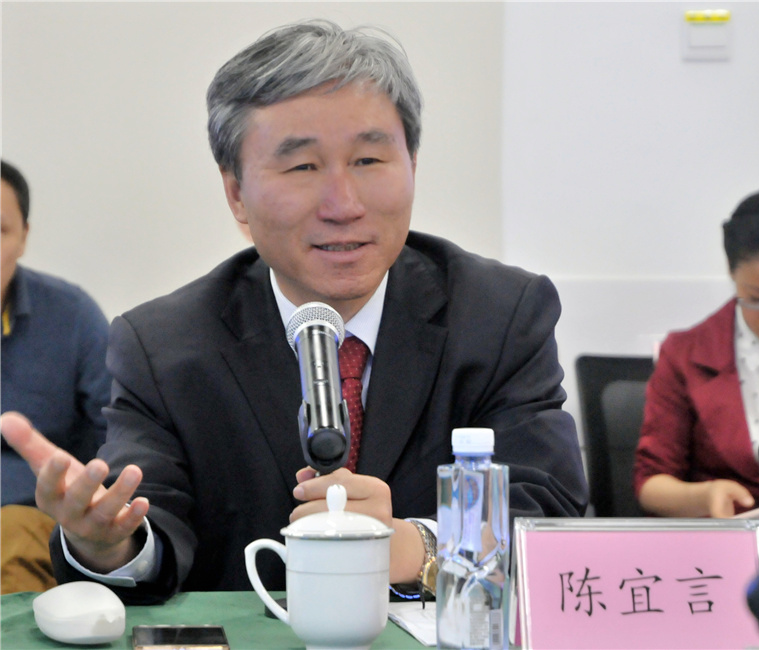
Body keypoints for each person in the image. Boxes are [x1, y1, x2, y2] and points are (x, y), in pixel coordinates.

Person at [0, 20, 587, 605]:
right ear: (236, 193)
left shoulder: (500, 315)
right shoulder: (163, 346)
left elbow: (548, 510)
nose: (344, 204)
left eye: (369, 160)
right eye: (303, 167)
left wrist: (416, 546)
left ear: (412, 161)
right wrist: (109, 545)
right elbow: (150, 524)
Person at [634, 187, 759, 518]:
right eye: (756, 298)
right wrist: (703, 495)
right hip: (721, 541)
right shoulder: (685, 353)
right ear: (731, 271)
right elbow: (650, 483)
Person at [0, 160, 111, 593]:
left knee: (11, 543)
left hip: (26, 514)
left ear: (23, 237)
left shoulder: (72, 315)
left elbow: (121, 433)